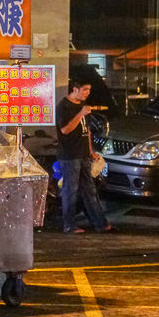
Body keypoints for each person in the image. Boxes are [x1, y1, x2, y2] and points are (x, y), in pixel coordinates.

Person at [56, 77, 113, 234]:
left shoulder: (83, 106)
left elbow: (86, 131)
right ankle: (69, 225)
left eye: (89, 90)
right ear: (75, 89)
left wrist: (90, 151)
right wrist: (80, 114)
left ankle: (100, 224)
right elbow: (65, 130)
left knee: (90, 190)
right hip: (69, 155)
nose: (87, 93)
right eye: (84, 90)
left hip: (83, 154)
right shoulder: (64, 106)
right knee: (70, 190)